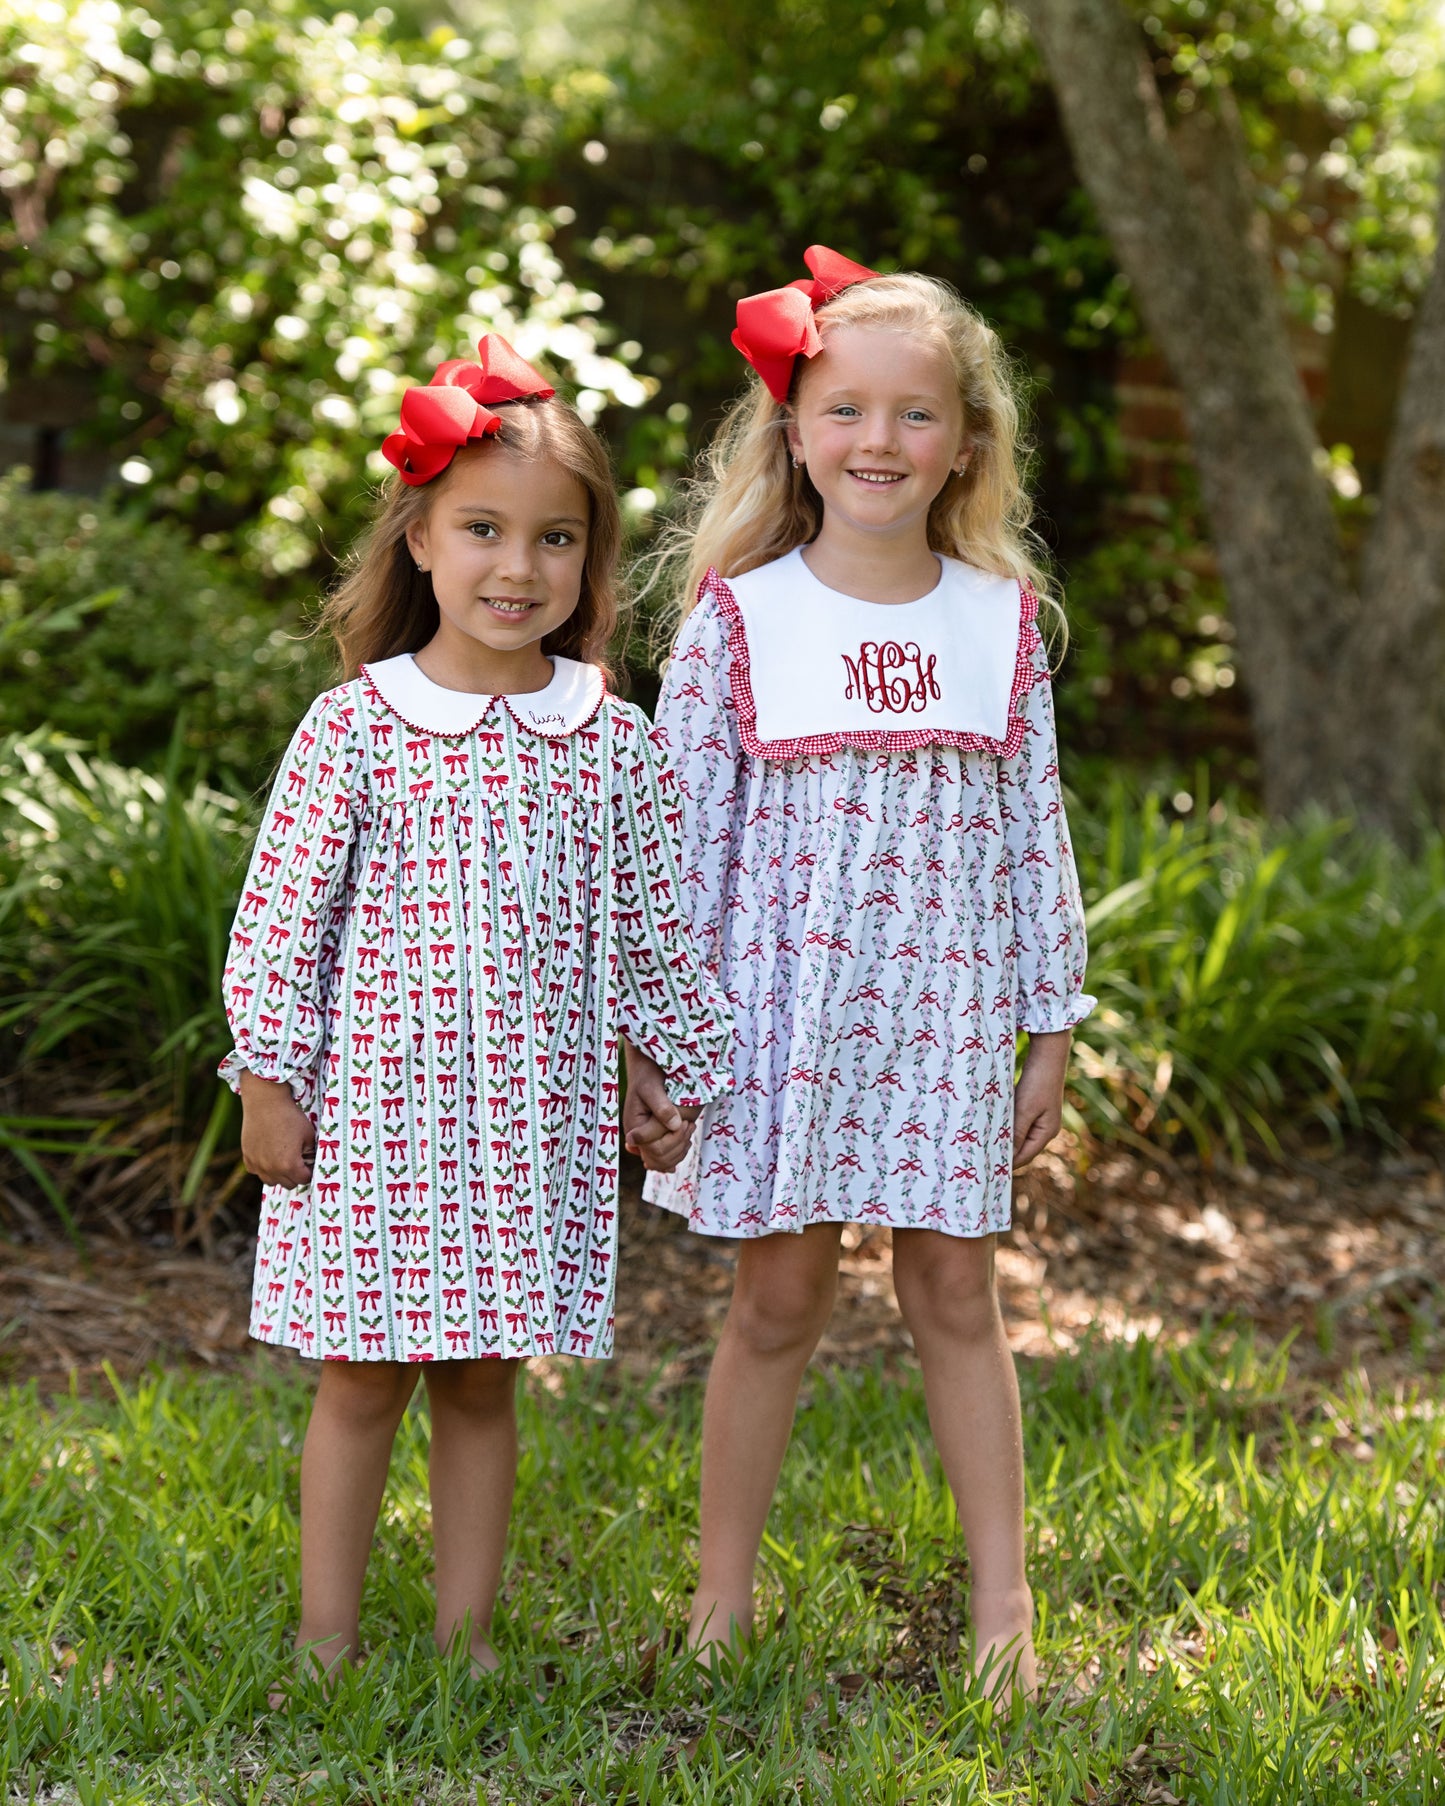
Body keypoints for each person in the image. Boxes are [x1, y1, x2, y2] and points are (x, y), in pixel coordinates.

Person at [221, 335, 732, 1687]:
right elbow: (281, 914)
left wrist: (667, 1070)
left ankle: (466, 1638)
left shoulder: (609, 737)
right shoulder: (358, 725)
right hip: (373, 1120)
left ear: (588, 559)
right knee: (361, 1377)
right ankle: (326, 1637)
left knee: (485, 1378)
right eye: (485, 531)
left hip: (526, 1124)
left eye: (554, 538)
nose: (519, 568)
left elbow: (649, 927)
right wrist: (267, 1077)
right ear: (422, 544)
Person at [631, 248, 1094, 1700]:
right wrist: (660, 1036)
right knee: (775, 1298)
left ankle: (1003, 1611)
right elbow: (679, 849)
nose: (877, 441)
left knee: (957, 1293)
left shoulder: (994, 622)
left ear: (963, 440)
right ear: (792, 427)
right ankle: (721, 1594)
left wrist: (1048, 1026)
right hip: (778, 1023)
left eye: (912, 414)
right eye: (845, 409)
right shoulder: (740, 618)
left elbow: (1034, 830)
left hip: (943, 1020)